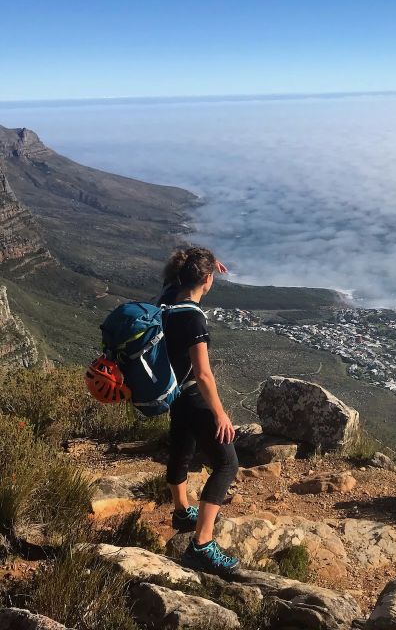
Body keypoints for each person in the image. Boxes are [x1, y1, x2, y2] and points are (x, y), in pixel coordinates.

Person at [158, 246, 240, 574]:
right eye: (210, 276)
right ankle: (202, 544)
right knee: (226, 463)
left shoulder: (166, 299)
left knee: (182, 449)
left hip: (173, 392)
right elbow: (204, 374)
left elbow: (180, 269)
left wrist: (206, 264)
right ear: (207, 279)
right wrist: (220, 413)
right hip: (193, 396)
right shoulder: (192, 316)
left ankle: (181, 511)